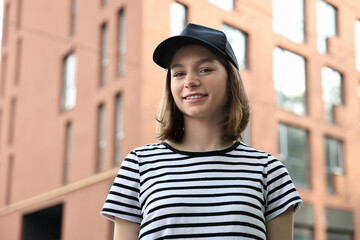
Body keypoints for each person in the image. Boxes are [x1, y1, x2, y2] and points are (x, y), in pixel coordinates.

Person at [101, 23, 302, 240]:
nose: (190, 82)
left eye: (205, 69)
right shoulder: (138, 165)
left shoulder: (268, 171)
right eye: (178, 73)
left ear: (231, 80)